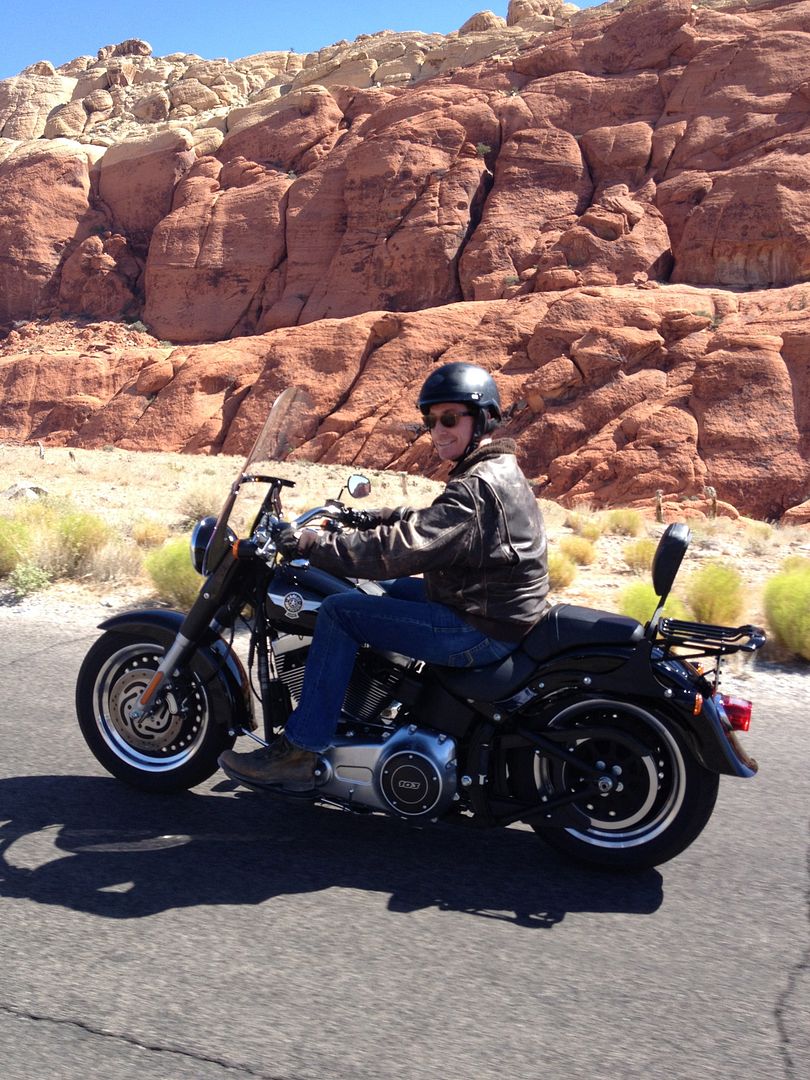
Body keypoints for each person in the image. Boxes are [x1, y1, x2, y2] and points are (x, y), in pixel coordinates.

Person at [218, 362, 549, 792]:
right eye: (431, 420)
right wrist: (371, 516)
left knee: (339, 612)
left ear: (483, 418)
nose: (439, 430)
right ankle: (372, 706)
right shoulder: (491, 470)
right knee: (371, 591)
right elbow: (435, 523)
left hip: (479, 627)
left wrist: (314, 545)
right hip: (485, 605)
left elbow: (402, 549)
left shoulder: (477, 486)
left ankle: (300, 750)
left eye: (450, 418)